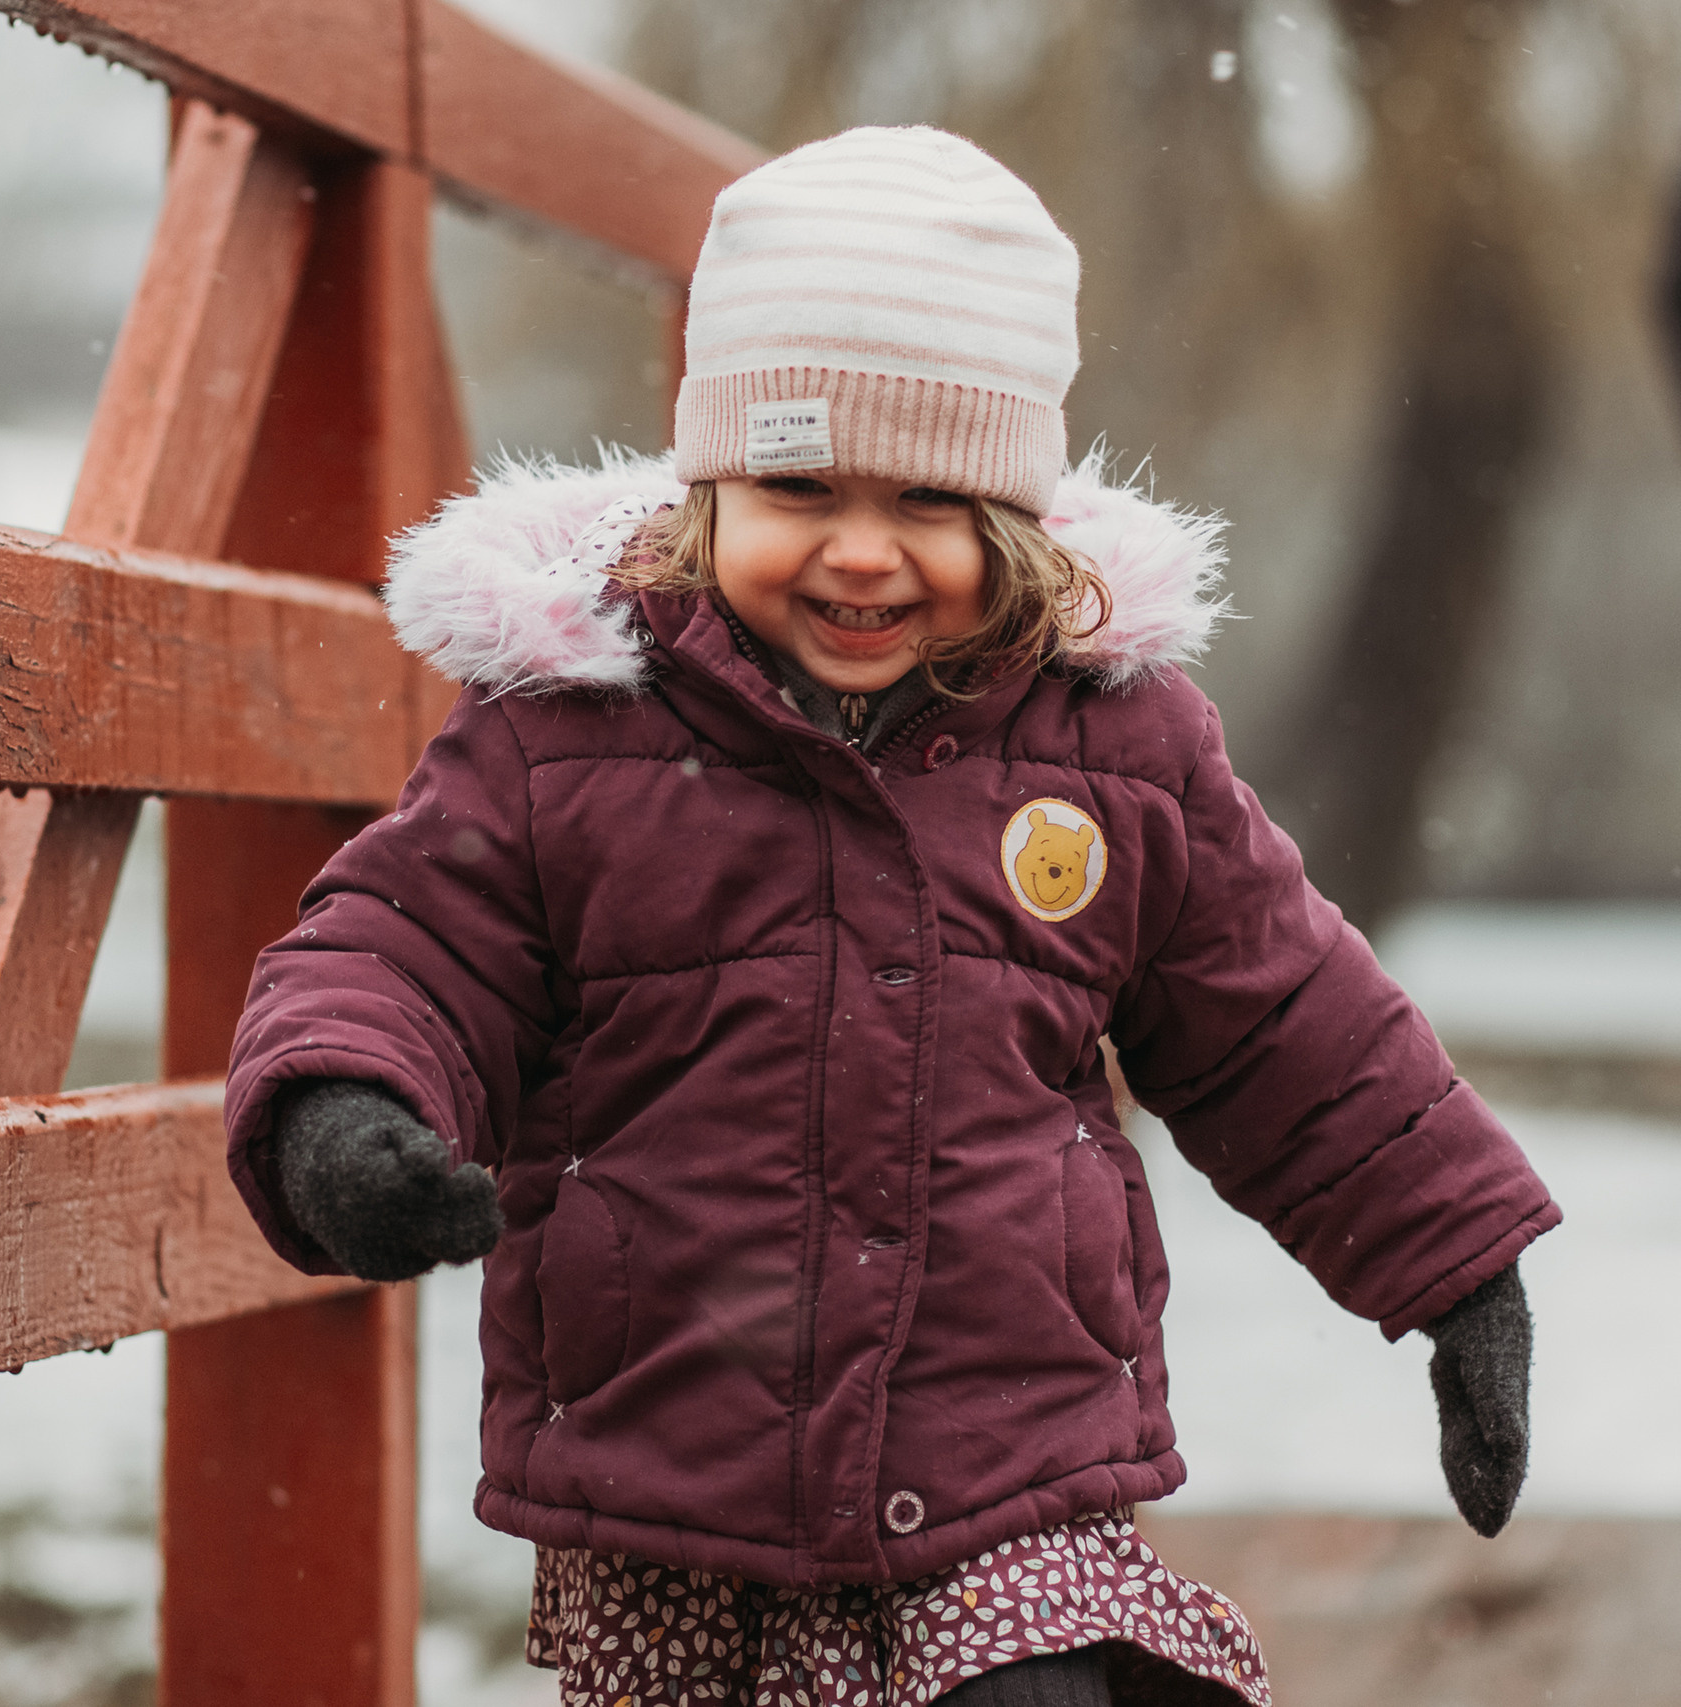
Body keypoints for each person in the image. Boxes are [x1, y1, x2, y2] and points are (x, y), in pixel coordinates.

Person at [221, 127, 1557, 1707]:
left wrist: (1459, 1263)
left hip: (1011, 1458)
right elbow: (405, 948)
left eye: (930, 496)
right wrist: (341, 1114)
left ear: (1013, 514)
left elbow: (1282, 1022)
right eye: (799, 487)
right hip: (683, 1468)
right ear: (711, 482)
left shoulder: (1107, 746)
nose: (862, 551)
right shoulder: (564, 740)